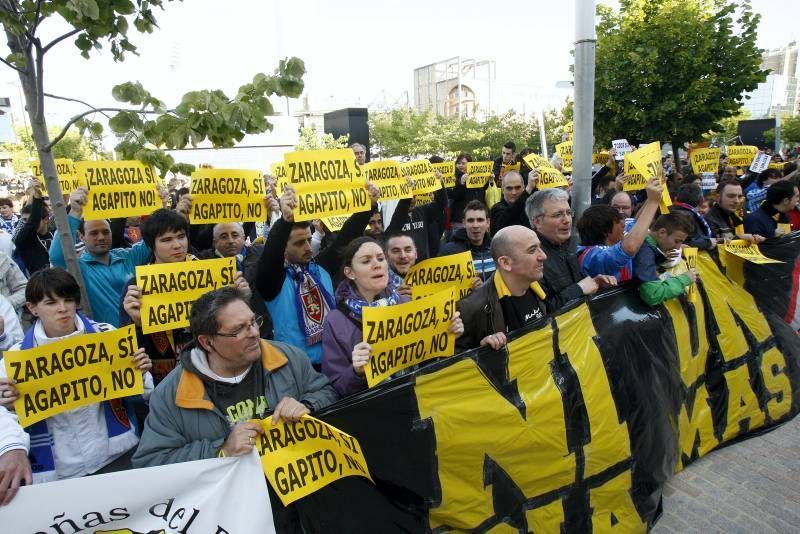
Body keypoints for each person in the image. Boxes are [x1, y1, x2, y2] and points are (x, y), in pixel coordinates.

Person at [131, 286, 337, 530]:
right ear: (207, 342)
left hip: (300, 505)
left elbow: (327, 393)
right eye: (238, 329)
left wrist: (307, 406)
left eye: (253, 321)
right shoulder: (169, 394)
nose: (254, 333)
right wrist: (222, 450)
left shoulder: (288, 357)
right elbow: (151, 465)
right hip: (231, 517)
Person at [0, 268, 152, 502]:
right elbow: (5, 416)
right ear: (32, 308)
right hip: (61, 476)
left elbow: (143, 394)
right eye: (51, 302)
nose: (63, 308)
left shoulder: (107, 336)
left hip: (118, 457)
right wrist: (11, 423)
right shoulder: (15, 360)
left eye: (68, 300)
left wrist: (140, 372)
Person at [120, 209, 251, 384]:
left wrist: (241, 298)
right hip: (165, 380)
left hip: (214, 371)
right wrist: (136, 324)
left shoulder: (210, 274)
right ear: (152, 245)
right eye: (166, 240)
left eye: (181, 236)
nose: (177, 245)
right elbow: (128, 351)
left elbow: (232, 324)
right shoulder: (136, 287)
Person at [254, 184, 377, 368]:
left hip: (336, 361)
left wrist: (368, 206)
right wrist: (285, 221)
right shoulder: (273, 281)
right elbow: (271, 254)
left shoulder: (321, 268)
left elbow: (345, 237)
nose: (308, 248)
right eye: (299, 243)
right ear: (284, 249)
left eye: (309, 240)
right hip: (297, 370)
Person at [321, 237, 463, 396]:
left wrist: (446, 334)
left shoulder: (406, 302)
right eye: (366, 261)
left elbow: (425, 362)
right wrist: (357, 372)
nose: (377, 265)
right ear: (350, 272)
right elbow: (335, 387)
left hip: (418, 398)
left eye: (381, 259)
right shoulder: (334, 321)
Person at [49, 188, 154, 326]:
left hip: (139, 334)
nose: (101, 237)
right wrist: (75, 212)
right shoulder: (77, 267)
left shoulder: (128, 256)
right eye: (94, 233)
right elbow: (56, 255)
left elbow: (155, 237)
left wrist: (158, 207)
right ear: (81, 237)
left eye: (106, 232)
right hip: (106, 340)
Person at [456, 226, 547, 351]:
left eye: (539, 247)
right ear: (505, 263)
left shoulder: (541, 287)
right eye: (532, 250)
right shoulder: (472, 307)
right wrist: (481, 350)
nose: (543, 256)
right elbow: (450, 362)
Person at [526, 188, 616, 312]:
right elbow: (540, 313)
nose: (567, 220)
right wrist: (579, 289)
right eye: (558, 215)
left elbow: (576, 288)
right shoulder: (531, 259)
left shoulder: (565, 247)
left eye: (568, 213)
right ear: (537, 222)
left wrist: (595, 283)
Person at [576, 178, 663, 281]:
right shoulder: (590, 256)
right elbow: (630, 247)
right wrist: (653, 202)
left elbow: (636, 224)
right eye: (618, 221)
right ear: (605, 231)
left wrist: (653, 193)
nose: (624, 223)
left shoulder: (616, 238)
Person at [634, 213, 697, 306]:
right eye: (677, 241)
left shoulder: (645, 243)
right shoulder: (645, 252)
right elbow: (652, 294)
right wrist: (684, 279)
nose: (678, 247)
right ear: (662, 232)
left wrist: (661, 260)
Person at [439, 200, 495, 283]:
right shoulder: (449, 252)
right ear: (464, 223)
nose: (475, 225)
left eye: (480, 220)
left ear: (488, 223)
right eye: (470, 220)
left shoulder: (497, 249)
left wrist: (483, 288)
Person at [13, 179, 52, 275]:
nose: (27, 224)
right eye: (24, 220)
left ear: (46, 219)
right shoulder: (23, 239)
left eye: (29, 220)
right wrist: (36, 197)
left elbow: (62, 210)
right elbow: (32, 224)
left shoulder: (55, 234)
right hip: (36, 287)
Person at [671, 183, 716, 251]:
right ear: (701, 201)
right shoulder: (686, 217)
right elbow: (683, 243)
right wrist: (708, 243)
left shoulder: (673, 210)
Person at [489, 171, 536, 235]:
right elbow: (507, 217)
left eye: (517, 188)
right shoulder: (496, 209)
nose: (514, 192)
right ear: (502, 190)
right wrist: (528, 190)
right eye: (509, 188)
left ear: (523, 188)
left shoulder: (530, 209)